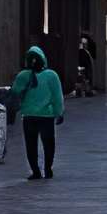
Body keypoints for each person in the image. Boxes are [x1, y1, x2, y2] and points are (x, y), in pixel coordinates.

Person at [8, 45, 65, 179]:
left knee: (31, 144)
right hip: (46, 116)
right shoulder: (52, 76)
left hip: (29, 115)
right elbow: (57, 96)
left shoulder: (23, 75)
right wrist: (59, 113)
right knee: (49, 143)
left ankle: (35, 171)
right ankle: (48, 169)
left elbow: (15, 91)